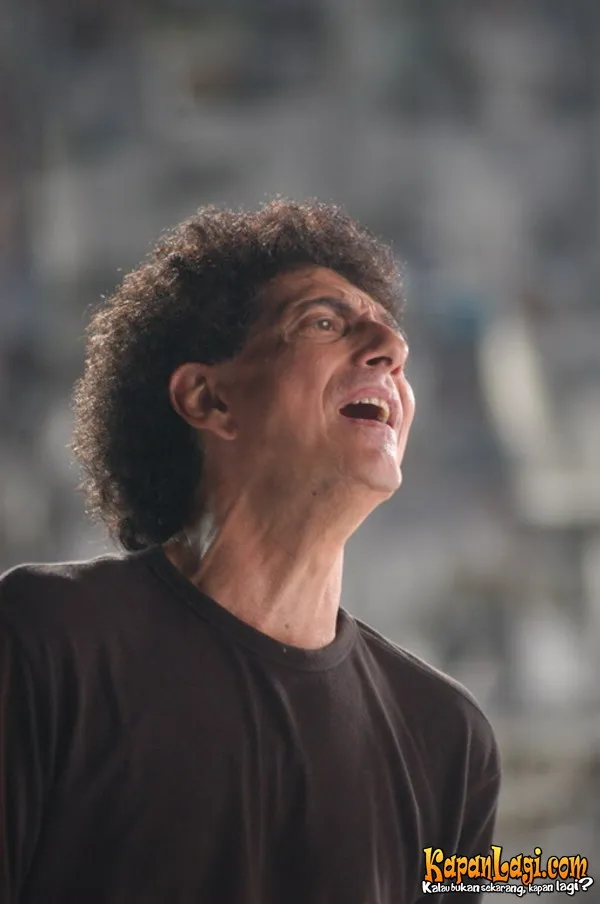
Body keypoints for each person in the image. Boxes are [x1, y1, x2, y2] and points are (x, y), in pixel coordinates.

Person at [0, 200, 500, 904]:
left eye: (395, 341)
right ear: (209, 399)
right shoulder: (46, 639)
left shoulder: (448, 737)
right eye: (323, 323)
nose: (392, 347)